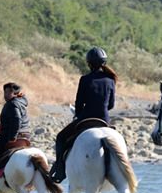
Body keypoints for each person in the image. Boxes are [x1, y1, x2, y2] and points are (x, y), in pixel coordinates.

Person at [49, 47, 117, 183]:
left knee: (61, 138)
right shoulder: (110, 80)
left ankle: (60, 170)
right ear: (104, 63)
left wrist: (78, 115)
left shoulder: (85, 79)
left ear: (89, 63)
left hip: (86, 118)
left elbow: (79, 103)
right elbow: (111, 105)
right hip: (104, 120)